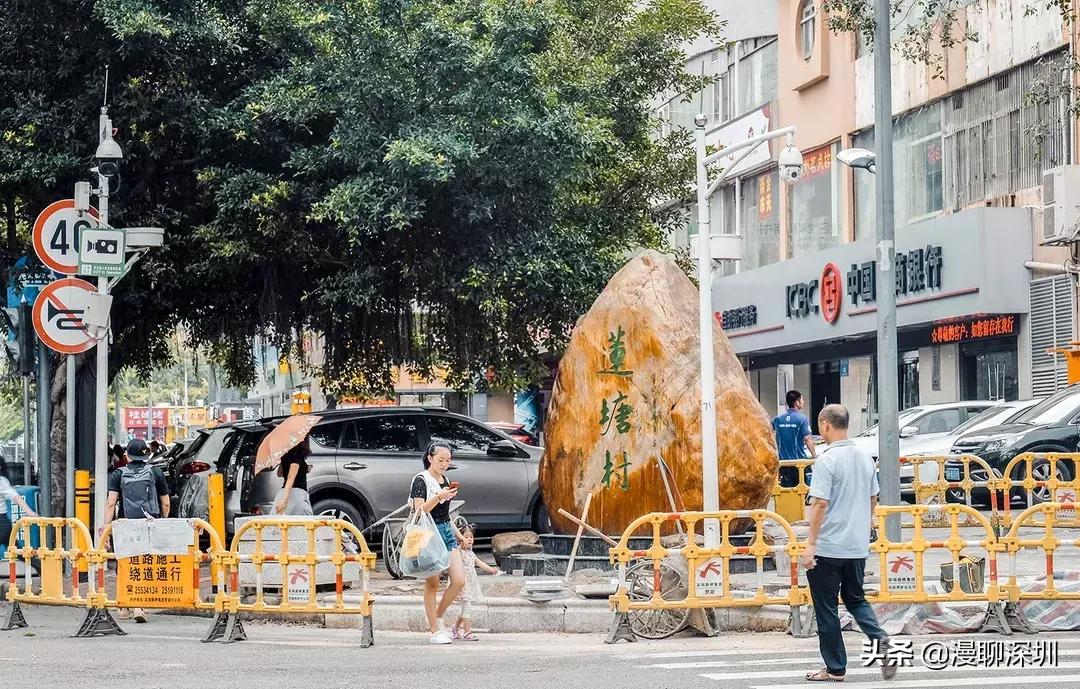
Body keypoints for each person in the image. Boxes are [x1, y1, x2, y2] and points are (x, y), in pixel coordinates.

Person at [800, 404, 896, 682]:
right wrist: (864, 528)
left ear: (826, 425)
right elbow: (873, 499)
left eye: (820, 426)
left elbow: (819, 504)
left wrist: (811, 543)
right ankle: (881, 640)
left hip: (828, 545)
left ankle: (835, 668)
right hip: (856, 546)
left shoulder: (826, 460)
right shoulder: (865, 458)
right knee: (855, 598)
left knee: (826, 606)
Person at [102, 438, 171, 624]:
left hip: (126, 523)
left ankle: (124, 606)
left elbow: (110, 503)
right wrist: (162, 522)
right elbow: (165, 502)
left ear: (127, 455)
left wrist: (105, 528)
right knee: (144, 562)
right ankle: (139, 605)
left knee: (125, 561)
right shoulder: (156, 472)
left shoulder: (118, 474)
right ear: (147, 454)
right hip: (150, 523)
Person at [410, 441, 466, 644]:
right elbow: (419, 511)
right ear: (429, 458)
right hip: (428, 533)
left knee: (459, 580)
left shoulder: (445, 479)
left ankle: (437, 617)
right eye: (440, 460)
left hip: (445, 530)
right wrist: (438, 497)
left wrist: (458, 534)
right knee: (432, 583)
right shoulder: (421, 480)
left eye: (448, 460)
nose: (444, 464)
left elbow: (445, 513)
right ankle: (434, 629)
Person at [450, 519, 503, 641]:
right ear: (459, 539)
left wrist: (492, 570)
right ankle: (467, 632)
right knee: (466, 607)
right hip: (461, 584)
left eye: (471, 537)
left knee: (465, 607)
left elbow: (480, 563)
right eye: (466, 537)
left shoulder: (471, 554)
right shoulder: (458, 552)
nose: (469, 539)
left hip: (469, 584)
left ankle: (455, 628)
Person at [773, 390, 816, 488]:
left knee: (787, 494)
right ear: (797, 402)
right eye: (802, 399)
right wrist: (814, 456)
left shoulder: (778, 419)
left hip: (783, 464)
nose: (803, 402)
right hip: (799, 464)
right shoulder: (802, 419)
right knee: (802, 494)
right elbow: (808, 438)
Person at [0, 461, 35, 551]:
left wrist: (29, 512)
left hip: (2, 524)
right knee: (17, 551)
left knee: (17, 552)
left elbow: (15, 496)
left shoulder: (2, 482)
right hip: (3, 525)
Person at [274, 437, 314, 516]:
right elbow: (291, 476)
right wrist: (285, 500)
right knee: (304, 525)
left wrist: (303, 469)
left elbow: (280, 473)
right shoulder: (297, 454)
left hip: (283, 493)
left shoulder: (285, 454)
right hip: (296, 495)